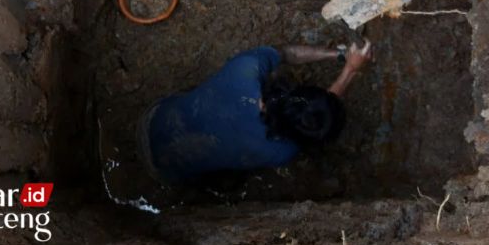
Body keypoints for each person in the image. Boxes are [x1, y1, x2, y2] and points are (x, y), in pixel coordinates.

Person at [136, 42, 373, 186]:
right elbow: (309, 120)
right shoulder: (281, 152)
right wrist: (348, 73)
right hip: (168, 172)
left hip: (154, 119)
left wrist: (343, 58)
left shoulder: (246, 69)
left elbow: (288, 53)